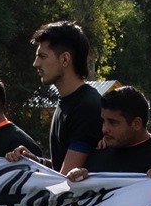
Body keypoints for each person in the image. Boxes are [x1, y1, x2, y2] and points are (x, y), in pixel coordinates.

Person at [27, 22, 101, 172]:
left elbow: (67, 178)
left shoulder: (86, 107)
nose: (36, 64)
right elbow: (61, 166)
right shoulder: (68, 101)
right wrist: (36, 161)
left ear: (65, 59)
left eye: (42, 56)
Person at [71, 86, 151, 177]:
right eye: (103, 121)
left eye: (112, 122)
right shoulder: (99, 152)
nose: (104, 129)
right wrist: (79, 179)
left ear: (136, 123)